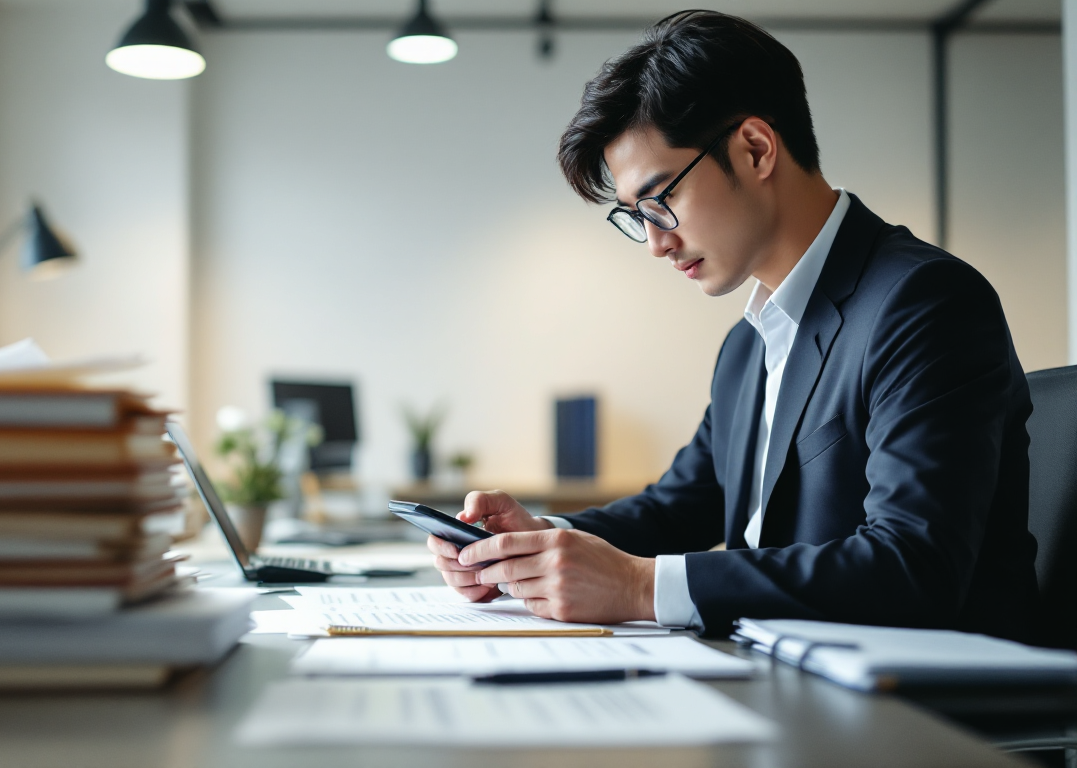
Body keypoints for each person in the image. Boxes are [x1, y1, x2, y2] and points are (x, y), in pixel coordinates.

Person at [428, 10, 1039, 641]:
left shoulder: (923, 302)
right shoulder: (748, 345)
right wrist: (536, 541)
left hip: (928, 717)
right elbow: (680, 507)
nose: (656, 244)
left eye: (661, 199)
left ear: (755, 148)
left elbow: (916, 567)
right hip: (785, 680)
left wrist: (639, 587)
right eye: (637, 217)